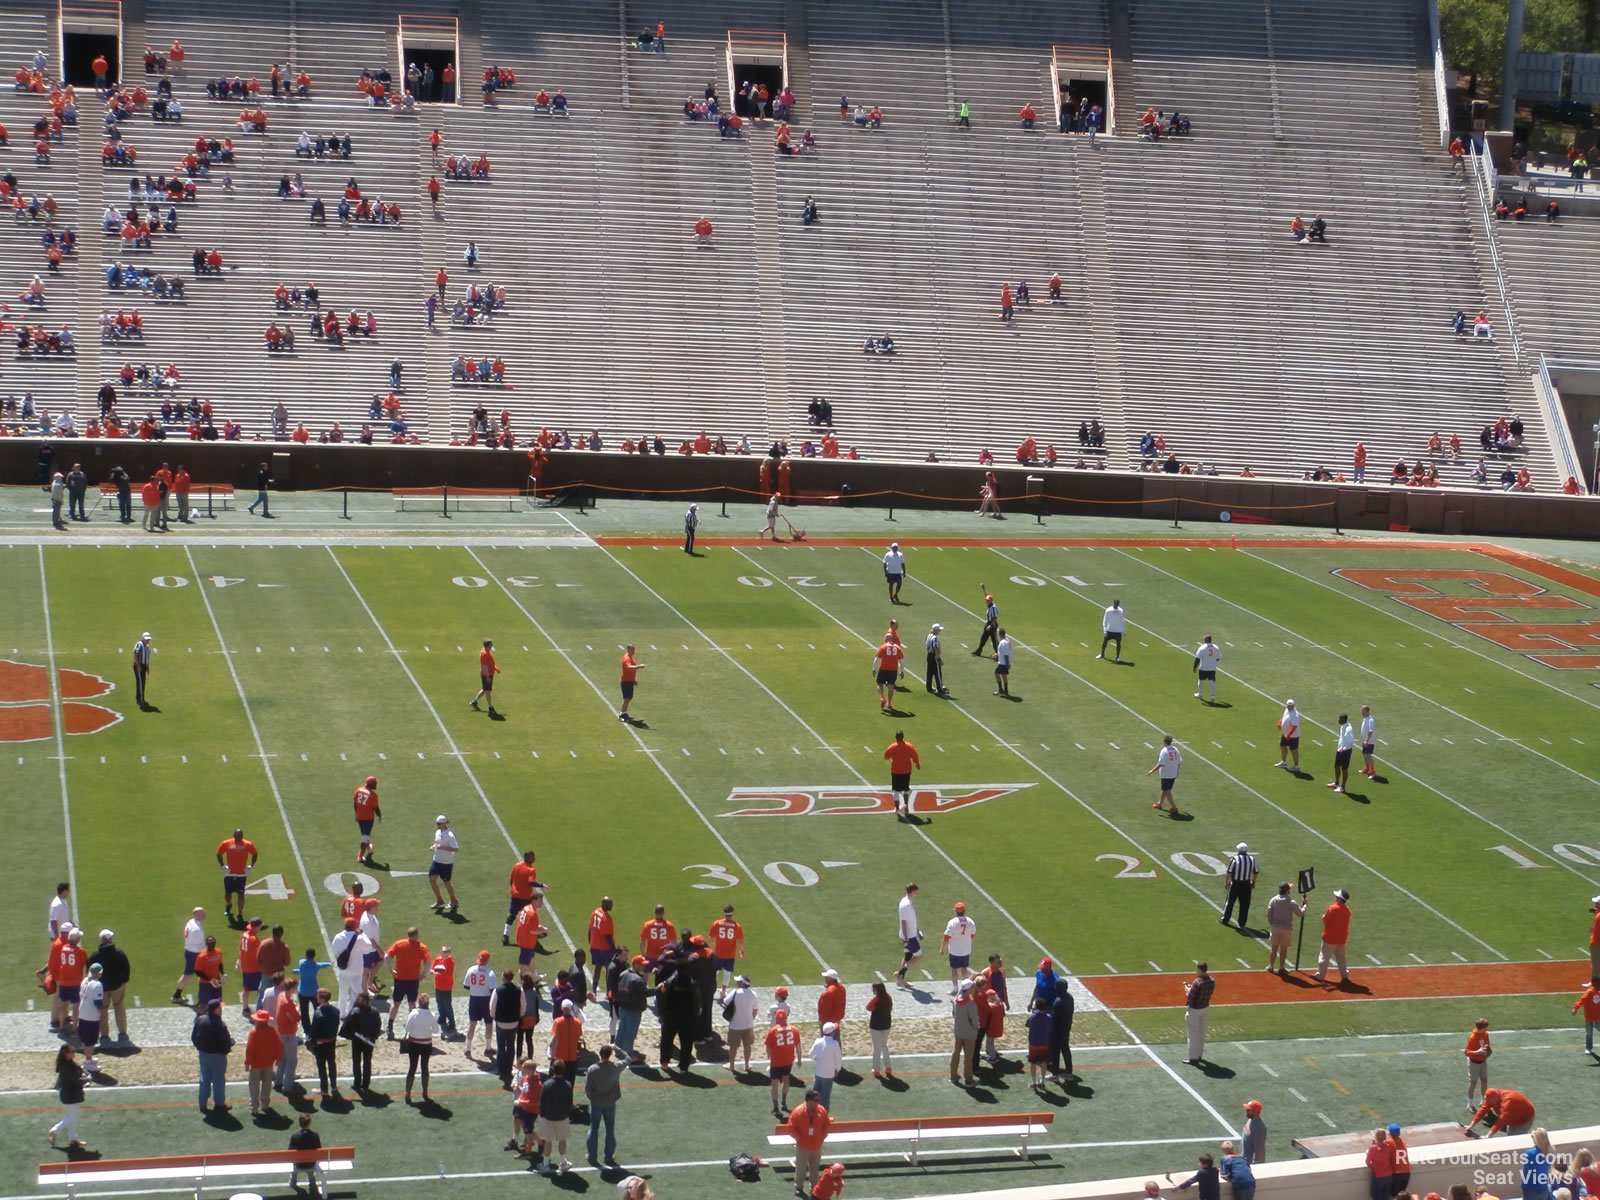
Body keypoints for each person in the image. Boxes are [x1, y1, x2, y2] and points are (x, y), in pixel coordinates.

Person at [193, 997, 235, 1115]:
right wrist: (229, 1045)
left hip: (203, 1055)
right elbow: (226, 1043)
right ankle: (219, 1104)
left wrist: (200, 1047)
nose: (221, 1009)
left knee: (204, 1078)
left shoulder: (200, 1020)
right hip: (218, 1057)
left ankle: (202, 1103)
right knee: (218, 1081)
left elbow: (194, 1037)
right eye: (220, 1007)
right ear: (216, 1010)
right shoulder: (220, 1025)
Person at [786, 1091, 831, 1199]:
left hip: (817, 1146)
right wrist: (801, 1139)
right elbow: (791, 1129)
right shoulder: (798, 1112)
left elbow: (827, 1125)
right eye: (816, 1100)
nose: (818, 1102)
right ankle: (798, 1187)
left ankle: (814, 1189)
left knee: (814, 1169)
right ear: (809, 1101)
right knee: (801, 1168)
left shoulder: (821, 1110)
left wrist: (822, 1137)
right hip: (803, 1147)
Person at [537, 1060, 574, 1174]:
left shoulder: (547, 1084)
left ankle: (546, 1164)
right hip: (562, 1117)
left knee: (548, 1141)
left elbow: (541, 1102)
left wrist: (542, 1114)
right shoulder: (568, 1084)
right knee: (562, 1140)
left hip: (548, 1117)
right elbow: (570, 1102)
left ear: (553, 1069)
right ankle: (563, 1163)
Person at [216, 828, 258, 926]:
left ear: (242, 836)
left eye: (240, 836)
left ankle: (240, 912)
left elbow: (255, 854)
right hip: (229, 874)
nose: (238, 837)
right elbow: (218, 853)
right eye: (236, 836)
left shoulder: (248, 844)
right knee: (227, 894)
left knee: (241, 894)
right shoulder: (226, 843)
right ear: (234, 835)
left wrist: (251, 866)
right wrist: (222, 866)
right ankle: (228, 904)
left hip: (241, 875)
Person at [47, 1044, 86, 1150]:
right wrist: (85, 1080)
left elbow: (78, 1074)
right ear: (65, 1054)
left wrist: (83, 1074)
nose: (74, 1053)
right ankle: (54, 1130)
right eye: (71, 1051)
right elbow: (74, 1081)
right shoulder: (66, 1067)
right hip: (70, 1096)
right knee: (73, 1117)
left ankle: (73, 1139)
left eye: (74, 1051)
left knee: (73, 1118)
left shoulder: (69, 1064)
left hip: (71, 1095)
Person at [244, 1007, 281, 1115]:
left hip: (256, 1064)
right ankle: (265, 1105)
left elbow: (250, 1050)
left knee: (254, 1086)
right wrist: (277, 1059)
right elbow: (278, 1046)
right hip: (268, 1064)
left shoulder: (254, 1033)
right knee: (267, 1085)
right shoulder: (273, 1031)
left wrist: (247, 1062)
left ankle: (254, 1107)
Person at [1313, 888, 1353, 984]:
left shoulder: (1332, 908)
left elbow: (1325, 920)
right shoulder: (1347, 910)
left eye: (1337, 896)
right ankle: (1345, 975)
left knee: (1324, 957)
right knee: (1341, 958)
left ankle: (1320, 975)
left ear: (1340, 898)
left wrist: (1323, 916)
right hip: (1341, 939)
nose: (1336, 897)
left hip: (1330, 938)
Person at [402, 994, 437, 1103]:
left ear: (419, 1003)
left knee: (412, 1067)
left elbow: (407, 1028)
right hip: (426, 1044)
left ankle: (408, 1093)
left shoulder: (413, 1014)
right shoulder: (432, 1015)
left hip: (414, 1043)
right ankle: (425, 1092)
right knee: (425, 1067)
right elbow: (436, 1031)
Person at [766, 1008, 801, 1116]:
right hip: (788, 1060)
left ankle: (776, 1107)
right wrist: (799, 1059)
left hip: (776, 1061)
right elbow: (798, 1046)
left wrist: (770, 1056)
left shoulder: (773, 1030)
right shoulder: (794, 1029)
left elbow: (768, 1047)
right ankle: (784, 1102)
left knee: (775, 1083)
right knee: (786, 1079)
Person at [1265, 883, 1306, 974]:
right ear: (1287, 891)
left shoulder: (1273, 900)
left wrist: (1273, 924)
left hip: (1275, 927)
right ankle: (1282, 968)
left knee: (1274, 948)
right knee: (1284, 949)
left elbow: (1269, 914)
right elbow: (1300, 914)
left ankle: (1270, 966)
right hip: (1286, 928)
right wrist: (1305, 905)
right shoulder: (1291, 902)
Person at [1469, 1086, 1535, 1135]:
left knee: (1517, 1139)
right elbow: (1482, 1110)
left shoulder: (1508, 1101)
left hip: (1525, 1117)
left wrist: (1488, 1136)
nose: (1488, 1103)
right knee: (1510, 1137)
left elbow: (1501, 1121)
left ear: (1495, 1098)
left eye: (1489, 1102)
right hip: (1512, 1117)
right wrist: (1470, 1126)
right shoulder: (1492, 1097)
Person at [950, 977, 980, 1085]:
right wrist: (976, 1028)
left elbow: (953, 1015)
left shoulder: (956, 1001)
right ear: (969, 989)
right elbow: (974, 1021)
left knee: (955, 1053)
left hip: (958, 1031)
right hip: (969, 1034)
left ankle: (953, 1075)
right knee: (968, 1057)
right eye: (972, 987)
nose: (974, 989)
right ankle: (968, 1079)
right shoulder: (971, 1004)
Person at [288, 1114, 325, 1198]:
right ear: (309, 1123)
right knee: (311, 1160)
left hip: (298, 1165)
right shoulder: (315, 1135)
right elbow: (319, 1150)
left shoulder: (295, 1136)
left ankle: (293, 1182)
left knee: (295, 1162)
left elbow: (290, 1151)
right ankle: (312, 1181)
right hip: (311, 1164)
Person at [1183, 962, 1213, 1065]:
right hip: (1205, 1008)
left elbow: (1190, 996)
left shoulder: (1197, 982)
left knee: (1193, 1034)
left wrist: (1186, 988)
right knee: (1201, 1032)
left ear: (1199, 969)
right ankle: (1199, 1055)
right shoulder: (1212, 980)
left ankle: (1193, 1058)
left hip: (1195, 1010)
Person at [1221, 843, 1257, 928]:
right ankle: (1242, 923)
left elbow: (1229, 872)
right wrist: (1253, 882)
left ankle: (1225, 920)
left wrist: (1226, 883)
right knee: (1245, 904)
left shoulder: (1235, 859)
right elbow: (1256, 872)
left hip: (1236, 884)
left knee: (1230, 902)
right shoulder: (1251, 859)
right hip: (1247, 884)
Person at [429, 815, 460, 914]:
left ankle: (453, 900)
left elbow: (456, 849)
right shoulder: (438, 832)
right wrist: (433, 846)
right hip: (436, 860)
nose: (437, 826)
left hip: (446, 863)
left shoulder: (450, 835)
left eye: (439, 824)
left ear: (444, 824)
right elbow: (437, 843)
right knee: (432, 879)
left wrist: (442, 848)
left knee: (447, 883)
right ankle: (439, 900)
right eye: (437, 824)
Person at [1148, 735, 1183, 816]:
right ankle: (1159, 804)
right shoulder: (1175, 749)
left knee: (1167, 791)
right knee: (1165, 789)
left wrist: (1152, 771)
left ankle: (1174, 808)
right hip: (1173, 773)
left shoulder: (1164, 751)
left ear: (1164, 742)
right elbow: (1179, 761)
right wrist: (1177, 771)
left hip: (1166, 774)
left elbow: (1161, 764)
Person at [810, 1022, 842, 1108]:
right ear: (832, 1033)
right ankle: (823, 1117)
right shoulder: (835, 1044)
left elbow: (811, 1055)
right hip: (828, 1075)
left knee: (814, 1095)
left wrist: (818, 1059)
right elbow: (838, 1060)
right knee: (825, 1098)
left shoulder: (817, 1041)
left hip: (818, 1073)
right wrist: (837, 1070)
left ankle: (812, 1113)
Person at [352, 775, 381, 866]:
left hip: (360, 817)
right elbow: (376, 808)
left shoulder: (358, 790)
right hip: (368, 819)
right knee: (365, 836)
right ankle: (360, 856)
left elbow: (355, 803)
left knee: (364, 834)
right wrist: (380, 816)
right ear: (372, 784)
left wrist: (357, 813)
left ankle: (368, 847)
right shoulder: (373, 795)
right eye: (375, 783)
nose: (376, 785)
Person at [1465, 1016, 1492, 1106]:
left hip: (1483, 1061)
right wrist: (1478, 1052)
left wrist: (1488, 1051)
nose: (1487, 1029)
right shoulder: (1472, 1037)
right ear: (1482, 1028)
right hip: (1473, 1063)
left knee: (1484, 1080)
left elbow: (1487, 1045)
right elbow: (1467, 1052)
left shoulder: (1486, 1034)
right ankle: (1470, 1103)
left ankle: (1483, 1100)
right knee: (1473, 1082)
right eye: (1485, 1027)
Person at [470, 638, 499, 715]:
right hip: (487, 674)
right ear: (488, 646)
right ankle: (490, 707)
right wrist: (487, 677)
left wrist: (495, 668)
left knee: (485, 689)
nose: (492, 645)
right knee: (488, 691)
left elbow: (488, 663)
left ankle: (474, 702)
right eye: (491, 644)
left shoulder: (484, 651)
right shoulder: (485, 654)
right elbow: (485, 666)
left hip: (488, 673)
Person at [1363, 1127, 1393, 1200]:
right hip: (1389, 1176)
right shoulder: (1388, 1147)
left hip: (1379, 1176)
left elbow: (1368, 1162)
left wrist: (1373, 1167)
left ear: (1376, 1137)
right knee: (1386, 1196)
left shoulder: (1373, 1148)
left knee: (1376, 1195)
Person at [1329, 713, 1356, 793]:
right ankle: (1336, 783)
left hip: (1345, 751)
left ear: (1343, 720)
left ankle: (1343, 787)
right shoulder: (1343, 726)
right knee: (1336, 766)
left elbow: (1350, 741)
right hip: (1340, 750)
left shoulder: (1348, 729)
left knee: (1344, 769)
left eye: (1339, 719)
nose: (1338, 720)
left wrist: (1343, 749)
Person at [1573, 978, 1600, 1057]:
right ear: (1595, 983)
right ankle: (1588, 1048)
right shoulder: (1589, 992)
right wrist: (1575, 1008)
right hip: (1589, 1017)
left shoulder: (1599, 992)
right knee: (1589, 1033)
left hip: (1598, 1017)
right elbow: (1581, 1000)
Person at [1274, 698, 1301, 770]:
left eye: (1291, 705)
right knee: (1283, 746)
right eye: (1288, 705)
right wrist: (1280, 722)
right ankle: (1283, 762)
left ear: (1294, 705)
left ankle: (1296, 766)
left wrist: (1288, 735)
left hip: (1293, 736)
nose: (1290, 706)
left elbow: (1294, 726)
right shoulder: (1287, 710)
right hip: (1286, 734)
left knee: (1294, 750)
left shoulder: (1294, 714)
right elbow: (1284, 717)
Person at [1194, 635, 1222, 703]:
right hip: (1212, 668)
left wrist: (1194, 667)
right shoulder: (1216, 647)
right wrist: (1212, 662)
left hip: (1203, 668)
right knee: (1212, 682)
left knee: (1201, 681)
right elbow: (1218, 658)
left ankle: (1199, 694)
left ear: (1205, 640)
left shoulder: (1202, 648)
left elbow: (1197, 659)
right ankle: (1212, 698)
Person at [619, 643, 643, 722]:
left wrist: (633, 680)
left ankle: (624, 713)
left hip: (629, 681)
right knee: (626, 699)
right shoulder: (627, 658)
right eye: (632, 649)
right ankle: (621, 714)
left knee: (628, 698)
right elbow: (629, 667)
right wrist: (639, 666)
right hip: (626, 682)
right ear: (628, 649)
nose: (634, 651)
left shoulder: (630, 657)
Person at [1386, 1123, 1411, 1197]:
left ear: (1390, 1133)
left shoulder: (1389, 1142)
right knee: (1402, 1197)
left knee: (1395, 1196)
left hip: (1397, 1174)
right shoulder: (1403, 1141)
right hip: (1406, 1173)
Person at [975, 588, 999, 656]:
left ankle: (998, 653)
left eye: (988, 600)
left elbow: (995, 618)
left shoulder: (993, 608)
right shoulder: (991, 604)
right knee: (983, 638)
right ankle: (979, 651)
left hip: (992, 625)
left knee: (994, 640)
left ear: (991, 601)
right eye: (986, 600)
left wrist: (990, 626)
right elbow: (987, 595)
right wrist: (983, 589)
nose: (986, 601)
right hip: (989, 624)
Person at [132, 631, 153, 708]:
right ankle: (140, 700)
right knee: (140, 683)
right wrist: (138, 666)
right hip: (139, 666)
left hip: (143, 666)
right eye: (146, 639)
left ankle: (140, 698)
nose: (148, 640)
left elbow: (147, 659)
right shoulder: (139, 644)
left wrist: (147, 668)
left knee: (142, 683)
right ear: (143, 638)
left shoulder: (147, 647)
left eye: (148, 639)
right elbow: (135, 655)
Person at [1359, 705, 1378, 778]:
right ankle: (1367, 768)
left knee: (1368, 755)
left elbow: (1370, 731)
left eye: (1363, 711)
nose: (1361, 712)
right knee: (1364, 754)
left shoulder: (1370, 720)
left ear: (1367, 711)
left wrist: (1367, 740)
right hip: (1364, 741)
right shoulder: (1365, 719)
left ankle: (1373, 772)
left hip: (1369, 741)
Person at [994, 629, 1013, 696]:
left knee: (996, 673)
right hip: (1004, 662)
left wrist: (1007, 664)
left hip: (1003, 662)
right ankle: (1005, 691)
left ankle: (1001, 690)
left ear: (1000, 634)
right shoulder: (1006, 641)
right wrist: (997, 654)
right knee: (1003, 675)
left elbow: (1006, 654)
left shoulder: (1003, 643)